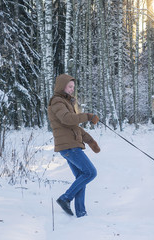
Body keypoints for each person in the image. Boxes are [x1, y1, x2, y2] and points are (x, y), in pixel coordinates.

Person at [47, 73, 100, 217]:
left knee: (81, 178)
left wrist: (89, 140)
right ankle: (65, 198)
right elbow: (68, 119)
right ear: (61, 86)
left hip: (70, 146)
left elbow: (74, 127)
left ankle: (81, 213)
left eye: (73, 87)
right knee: (90, 172)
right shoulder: (57, 102)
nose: (72, 89)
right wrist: (88, 116)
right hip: (69, 147)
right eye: (69, 87)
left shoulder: (66, 103)